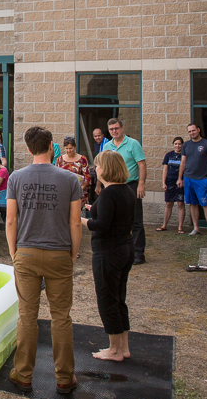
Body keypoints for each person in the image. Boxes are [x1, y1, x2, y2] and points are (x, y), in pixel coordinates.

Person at [6, 126, 83, 395]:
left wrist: (14, 253)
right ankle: (64, 377)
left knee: (27, 316)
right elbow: (75, 222)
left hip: (25, 252)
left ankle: (23, 374)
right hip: (59, 252)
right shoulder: (70, 179)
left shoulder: (16, 177)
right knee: (61, 317)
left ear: (28, 149)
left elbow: (11, 220)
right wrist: (73, 253)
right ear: (52, 146)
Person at [80, 150, 136, 362]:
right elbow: (114, 215)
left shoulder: (109, 193)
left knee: (107, 299)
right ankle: (124, 347)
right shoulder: (126, 191)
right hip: (125, 248)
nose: (96, 169)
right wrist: (94, 208)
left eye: (98, 166)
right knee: (119, 297)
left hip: (109, 252)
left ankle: (114, 350)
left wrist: (82, 220)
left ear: (108, 168)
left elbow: (101, 225)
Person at [102, 118, 147, 265]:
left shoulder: (133, 144)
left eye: (116, 128)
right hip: (114, 186)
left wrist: (141, 184)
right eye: (111, 129)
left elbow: (141, 164)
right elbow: (105, 166)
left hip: (131, 185)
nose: (114, 131)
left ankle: (138, 253)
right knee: (116, 220)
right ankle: (119, 251)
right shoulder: (107, 145)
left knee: (136, 220)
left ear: (122, 128)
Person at [177, 123, 207, 240]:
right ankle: (196, 228)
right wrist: (180, 178)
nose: (191, 133)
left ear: (198, 130)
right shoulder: (186, 145)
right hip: (188, 178)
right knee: (192, 204)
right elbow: (183, 163)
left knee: (206, 204)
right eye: (189, 131)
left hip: (202, 179)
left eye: (193, 130)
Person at [158, 137, 185, 233]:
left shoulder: (184, 155)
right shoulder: (168, 155)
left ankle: (180, 227)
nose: (177, 146)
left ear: (182, 145)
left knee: (180, 204)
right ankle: (164, 225)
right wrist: (163, 183)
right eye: (176, 144)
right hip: (169, 182)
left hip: (180, 183)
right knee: (168, 204)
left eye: (179, 144)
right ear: (173, 144)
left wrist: (181, 179)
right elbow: (165, 170)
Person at [56, 137, 92, 205]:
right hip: (65, 193)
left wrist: (79, 189)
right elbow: (56, 176)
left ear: (75, 147)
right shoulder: (59, 160)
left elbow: (87, 177)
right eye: (66, 148)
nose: (68, 151)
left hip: (79, 192)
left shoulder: (82, 159)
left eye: (70, 148)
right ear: (64, 147)